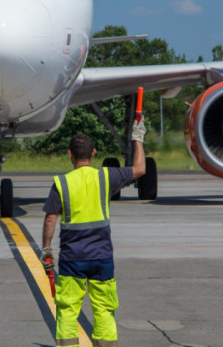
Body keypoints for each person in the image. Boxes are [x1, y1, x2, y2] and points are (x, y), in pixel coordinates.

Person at [40, 117, 147, 347]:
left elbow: (50, 218)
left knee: (67, 309)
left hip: (72, 259)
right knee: (104, 310)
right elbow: (140, 169)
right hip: (102, 257)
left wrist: (46, 248)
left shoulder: (62, 182)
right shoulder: (106, 176)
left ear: (70, 154)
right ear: (94, 153)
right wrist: (137, 139)